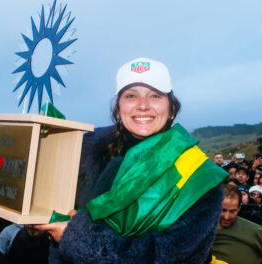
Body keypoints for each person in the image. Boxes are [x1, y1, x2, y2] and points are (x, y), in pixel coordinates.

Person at [36, 57, 228, 263]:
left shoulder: (199, 180)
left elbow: (165, 258)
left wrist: (75, 238)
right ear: (119, 107)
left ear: (172, 108)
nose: (143, 105)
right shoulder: (85, 151)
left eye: (155, 95)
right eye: (131, 95)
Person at [212, 185, 262, 264]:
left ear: (239, 208)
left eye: (232, 211)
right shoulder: (205, 228)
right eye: (223, 210)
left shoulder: (253, 230)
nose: (227, 217)